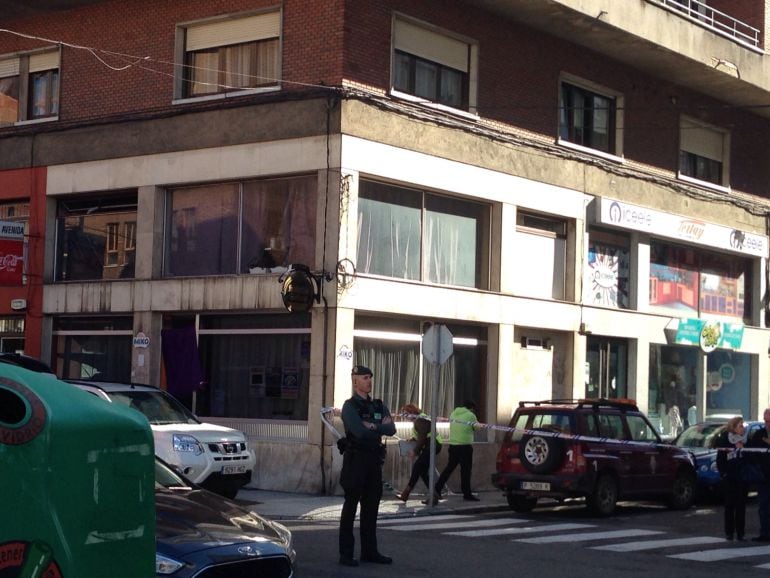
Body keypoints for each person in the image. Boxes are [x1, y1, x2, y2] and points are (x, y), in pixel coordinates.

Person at [338, 365, 396, 567]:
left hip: (373, 461)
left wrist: (373, 426)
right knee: (350, 506)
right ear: (355, 381)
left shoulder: (378, 405)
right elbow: (359, 432)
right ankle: (346, 553)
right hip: (356, 460)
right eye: (364, 378)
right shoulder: (350, 406)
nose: (369, 381)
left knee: (371, 508)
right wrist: (375, 429)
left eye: (370, 377)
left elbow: (391, 429)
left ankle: (369, 551)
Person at [435, 400, 479, 502]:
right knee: (466, 471)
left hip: (453, 445)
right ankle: (467, 494)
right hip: (465, 446)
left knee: (449, 468)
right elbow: (477, 428)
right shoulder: (471, 415)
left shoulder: (453, 413)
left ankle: (437, 488)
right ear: (471, 408)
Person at [396, 404, 442, 503]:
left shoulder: (420, 420)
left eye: (406, 414)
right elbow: (420, 436)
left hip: (432, 445)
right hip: (432, 445)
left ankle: (406, 493)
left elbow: (422, 437)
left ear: (412, 413)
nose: (405, 417)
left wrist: (415, 451)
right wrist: (412, 439)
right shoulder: (420, 419)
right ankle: (434, 496)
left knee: (417, 467)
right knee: (422, 471)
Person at [715, 416, 748, 541]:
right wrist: (724, 473)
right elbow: (720, 459)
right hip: (730, 477)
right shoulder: (725, 440)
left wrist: (742, 449)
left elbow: (750, 458)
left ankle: (741, 532)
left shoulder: (746, 441)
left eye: (743, 425)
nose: (742, 428)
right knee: (729, 505)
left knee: (741, 506)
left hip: (742, 477)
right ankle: (729, 532)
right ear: (733, 427)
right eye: (740, 425)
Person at [747, 407, 770, 542]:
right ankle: (765, 533)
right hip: (763, 476)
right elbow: (751, 452)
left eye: (769, 421)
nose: (767, 424)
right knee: (763, 506)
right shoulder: (759, 434)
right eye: (765, 421)